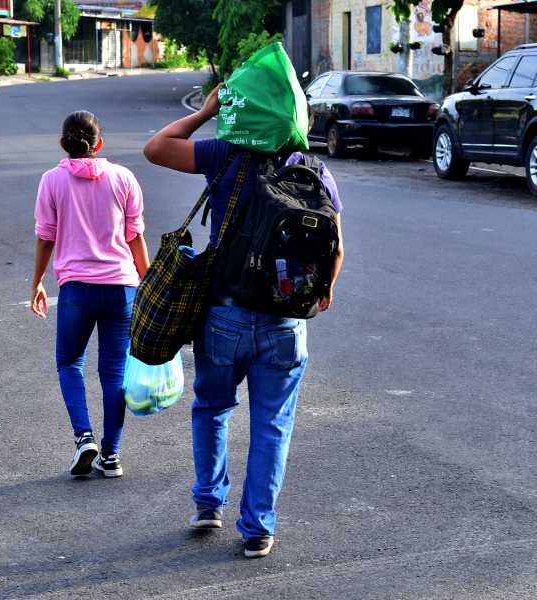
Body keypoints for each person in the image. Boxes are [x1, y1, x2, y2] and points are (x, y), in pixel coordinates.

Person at [143, 85, 344, 558]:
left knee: (213, 408)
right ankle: (258, 528)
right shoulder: (314, 170)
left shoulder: (226, 155)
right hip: (286, 321)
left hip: (224, 315)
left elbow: (156, 148)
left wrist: (205, 111)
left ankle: (208, 503)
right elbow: (335, 247)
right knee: (272, 423)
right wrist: (325, 289)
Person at [32, 110, 150, 479]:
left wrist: (37, 282)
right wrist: (148, 280)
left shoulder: (52, 181)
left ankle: (84, 437)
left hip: (77, 290)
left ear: (62, 143)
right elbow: (135, 237)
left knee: (70, 363)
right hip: (121, 288)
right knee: (114, 373)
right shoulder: (124, 178)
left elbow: (46, 237)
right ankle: (111, 455)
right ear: (99, 144)